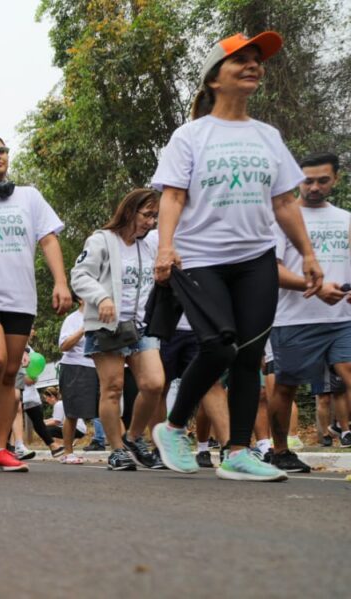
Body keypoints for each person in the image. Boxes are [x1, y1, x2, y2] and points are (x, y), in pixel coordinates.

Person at [150, 32, 322, 482]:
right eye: (239, 60)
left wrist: (307, 254)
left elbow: (284, 203)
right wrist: (166, 246)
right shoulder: (191, 135)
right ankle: (171, 427)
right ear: (214, 79)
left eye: (255, 60)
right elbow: (172, 196)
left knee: (247, 357)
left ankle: (240, 451)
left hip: (256, 260)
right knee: (220, 344)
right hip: (200, 258)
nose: (252, 66)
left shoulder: (268, 135)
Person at [0, 134, 72, 472]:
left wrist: (61, 283)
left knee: (10, 372)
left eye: (2, 150)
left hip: (20, 296)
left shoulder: (29, 197)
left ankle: (2, 446)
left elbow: (48, 239)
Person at [268, 152, 351, 473]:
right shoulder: (281, 220)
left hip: (342, 318)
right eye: (307, 181)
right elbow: (272, 272)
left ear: (336, 180)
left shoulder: (345, 219)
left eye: (323, 180)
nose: (314, 187)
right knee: (286, 385)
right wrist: (316, 285)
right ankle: (279, 451)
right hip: (294, 318)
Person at [71, 188, 165, 471]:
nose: (151, 222)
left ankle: (134, 436)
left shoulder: (148, 246)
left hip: (141, 326)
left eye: (155, 217)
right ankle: (117, 449)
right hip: (107, 325)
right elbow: (79, 275)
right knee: (112, 388)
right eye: (147, 215)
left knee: (154, 384)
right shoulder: (102, 240)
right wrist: (102, 298)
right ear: (129, 211)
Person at [57, 296, 100, 462]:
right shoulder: (72, 319)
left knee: (109, 408)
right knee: (72, 412)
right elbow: (63, 346)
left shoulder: (103, 316)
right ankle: (68, 452)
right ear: (81, 299)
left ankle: (121, 449)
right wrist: (83, 329)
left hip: (99, 366)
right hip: (75, 367)